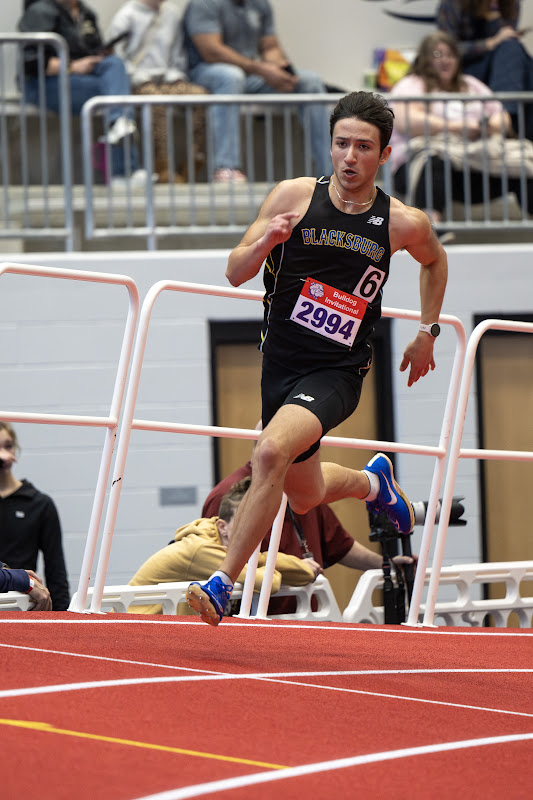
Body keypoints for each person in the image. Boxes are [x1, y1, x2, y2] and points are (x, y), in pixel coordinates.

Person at [186, 90, 448, 626]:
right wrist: (266, 243)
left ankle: (221, 585)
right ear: (329, 146)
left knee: (267, 454)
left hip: (337, 371)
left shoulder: (401, 222)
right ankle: (376, 484)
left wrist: (428, 331)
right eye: (341, 144)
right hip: (278, 365)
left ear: (385, 154)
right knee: (304, 496)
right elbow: (235, 271)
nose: (350, 157)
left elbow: (434, 261)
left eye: (363, 147)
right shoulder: (295, 196)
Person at [202, 460, 416, 615]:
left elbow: (339, 544)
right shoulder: (228, 497)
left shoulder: (302, 489)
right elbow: (219, 557)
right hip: (257, 616)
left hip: (305, 614)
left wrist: (385, 564)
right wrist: (297, 567)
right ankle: (372, 482)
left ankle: (373, 482)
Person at [389, 32, 533, 224]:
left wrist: (486, 126)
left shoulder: (471, 85)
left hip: (473, 159)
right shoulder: (412, 85)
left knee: (524, 162)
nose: (445, 60)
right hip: (420, 162)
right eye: (438, 55)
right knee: (433, 160)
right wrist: (457, 128)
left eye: (450, 55)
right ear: (424, 58)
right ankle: (431, 230)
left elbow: (503, 118)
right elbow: (408, 121)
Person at [182, 0, 332, 182]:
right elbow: (211, 51)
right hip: (207, 71)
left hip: (250, 74)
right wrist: (260, 69)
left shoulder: (260, 4)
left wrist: (279, 68)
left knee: (310, 81)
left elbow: (270, 47)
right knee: (231, 76)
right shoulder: (204, 3)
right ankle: (226, 167)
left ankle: (331, 171)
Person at [127, 476, 322, 615]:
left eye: (260, 520)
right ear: (223, 526)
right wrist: (268, 564)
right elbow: (268, 583)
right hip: (130, 626)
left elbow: (306, 574)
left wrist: (265, 563)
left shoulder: (224, 547)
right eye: (245, 520)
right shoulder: (200, 549)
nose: (254, 528)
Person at [18, 0, 152, 186]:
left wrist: (101, 55)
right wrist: (72, 66)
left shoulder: (86, 13)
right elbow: (32, 63)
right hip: (44, 84)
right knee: (115, 93)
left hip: (82, 79)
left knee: (114, 65)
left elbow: (91, 49)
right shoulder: (40, 11)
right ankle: (123, 169)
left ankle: (120, 125)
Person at [106, 0, 209, 183]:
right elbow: (117, 58)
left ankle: (192, 162)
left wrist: (176, 74)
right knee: (156, 102)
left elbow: (178, 53)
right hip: (137, 80)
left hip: (167, 79)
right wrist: (137, 76)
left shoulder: (172, 15)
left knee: (201, 97)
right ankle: (163, 166)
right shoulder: (127, 15)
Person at [436, 0, 533, 139]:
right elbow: (447, 49)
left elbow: (507, 38)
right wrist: (489, 43)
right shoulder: (452, 4)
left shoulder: (510, 4)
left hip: (501, 68)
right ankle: (505, 122)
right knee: (511, 50)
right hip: (466, 70)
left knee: (518, 56)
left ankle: (506, 120)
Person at [0, 422, 70, 611]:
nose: (2, 454)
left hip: (24, 606)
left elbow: (56, 572)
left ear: (15, 450)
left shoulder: (39, 504)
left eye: (7, 446)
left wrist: (62, 620)